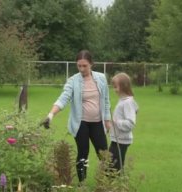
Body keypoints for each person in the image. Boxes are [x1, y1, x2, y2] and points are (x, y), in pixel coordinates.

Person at [42, 50, 111, 183]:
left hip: (98, 122)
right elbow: (63, 99)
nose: (81, 69)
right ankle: (82, 184)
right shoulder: (73, 81)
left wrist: (107, 120)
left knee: (104, 153)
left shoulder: (101, 78)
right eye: (79, 66)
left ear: (91, 64)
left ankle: (107, 184)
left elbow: (106, 99)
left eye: (84, 66)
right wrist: (50, 115)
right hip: (81, 124)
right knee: (83, 154)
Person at [109, 72, 139, 172]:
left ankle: (115, 187)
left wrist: (116, 122)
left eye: (116, 87)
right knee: (111, 165)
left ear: (123, 86)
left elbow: (130, 123)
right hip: (116, 139)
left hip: (121, 140)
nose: (114, 90)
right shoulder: (122, 100)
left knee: (114, 167)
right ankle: (113, 186)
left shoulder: (127, 102)